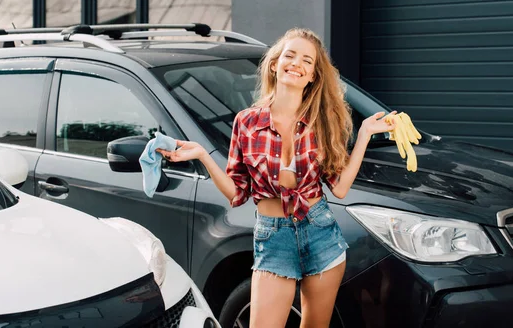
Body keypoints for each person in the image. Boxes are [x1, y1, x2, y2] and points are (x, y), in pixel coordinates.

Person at [157, 28, 395, 328]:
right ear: (275, 64)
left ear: (313, 76)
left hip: (321, 231)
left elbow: (341, 187)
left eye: (307, 61)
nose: (297, 63)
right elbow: (236, 192)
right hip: (273, 236)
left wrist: (362, 137)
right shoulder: (247, 122)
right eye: (290, 55)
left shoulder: (322, 122)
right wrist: (204, 155)